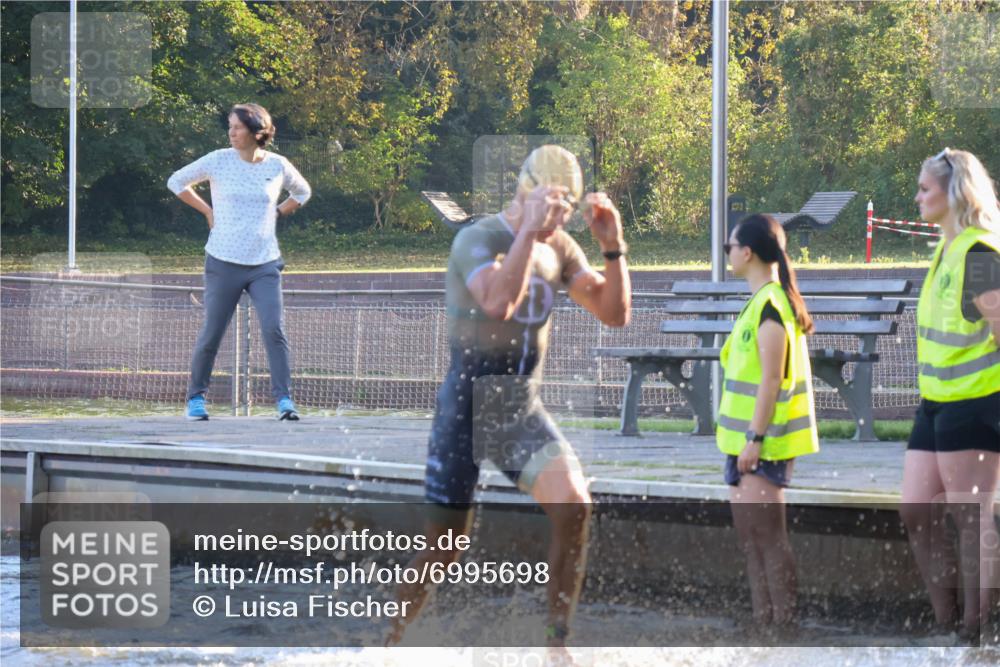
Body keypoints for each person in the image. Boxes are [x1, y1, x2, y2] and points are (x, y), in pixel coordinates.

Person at [386, 145, 631, 652]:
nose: (559, 219)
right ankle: (386, 645)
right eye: (552, 206)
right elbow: (499, 302)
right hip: (467, 407)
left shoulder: (560, 248)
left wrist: (614, 247)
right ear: (527, 193)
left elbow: (614, 314)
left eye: (567, 209)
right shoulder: (477, 237)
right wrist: (526, 231)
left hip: (518, 408)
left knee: (575, 507)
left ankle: (556, 644)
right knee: (444, 546)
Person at [900, 148, 1000, 639]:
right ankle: (945, 622)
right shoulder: (945, 249)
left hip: (977, 402)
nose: (917, 196)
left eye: (924, 189)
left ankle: (976, 630)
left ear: (954, 192)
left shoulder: (981, 252)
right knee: (915, 509)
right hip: (935, 402)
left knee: (970, 518)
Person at [167, 103, 311, 421]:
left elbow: (302, 191)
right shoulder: (219, 160)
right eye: (229, 126)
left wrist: (278, 212)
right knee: (213, 332)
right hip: (223, 261)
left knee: (274, 329)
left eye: (237, 127)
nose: (231, 132)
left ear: (257, 132)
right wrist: (207, 211)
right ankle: (196, 400)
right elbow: (176, 181)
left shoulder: (277, 164)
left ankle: (285, 401)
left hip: (264, 263)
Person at [717, 213, 819, 631]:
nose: (727, 253)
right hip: (740, 444)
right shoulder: (758, 302)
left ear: (748, 252)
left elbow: (772, 380)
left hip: (764, 444)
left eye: (729, 247)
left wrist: (755, 439)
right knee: (750, 542)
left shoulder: (773, 307)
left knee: (770, 541)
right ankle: (763, 624)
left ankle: (785, 628)